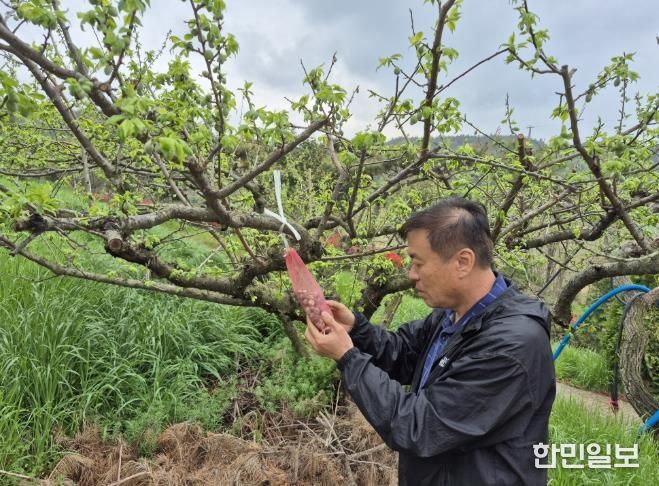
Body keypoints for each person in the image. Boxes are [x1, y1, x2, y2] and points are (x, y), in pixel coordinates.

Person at [304, 197, 555, 485]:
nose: (411, 274)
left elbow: (420, 426)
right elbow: (403, 354)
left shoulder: (512, 346)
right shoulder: (455, 315)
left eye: (418, 262)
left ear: (463, 262)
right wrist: (356, 329)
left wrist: (348, 357)